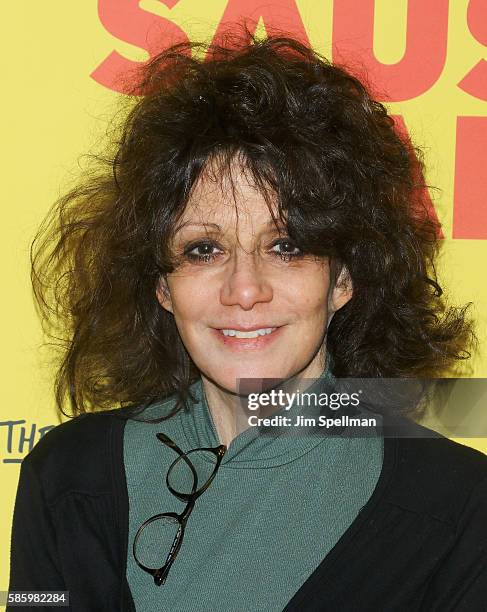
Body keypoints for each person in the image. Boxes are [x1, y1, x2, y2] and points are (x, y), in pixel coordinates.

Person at [8, 31, 487, 611]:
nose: (244, 289)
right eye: (204, 250)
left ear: (343, 278)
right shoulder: (62, 477)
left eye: (286, 246)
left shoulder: (460, 506)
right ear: (162, 283)